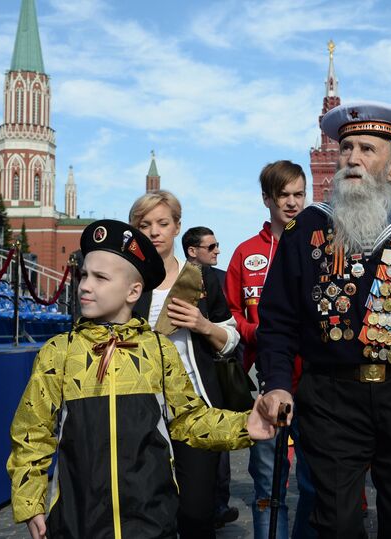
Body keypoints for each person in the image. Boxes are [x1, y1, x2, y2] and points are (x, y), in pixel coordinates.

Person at [256, 102, 391, 538]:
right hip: (331, 396)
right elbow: (277, 320)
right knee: (334, 521)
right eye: (346, 148)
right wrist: (278, 383)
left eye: (367, 149)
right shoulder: (306, 231)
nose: (352, 158)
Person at [6, 219, 272, 539]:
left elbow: (189, 420)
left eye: (101, 277)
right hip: (77, 523)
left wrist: (246, 425)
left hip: (152, 523)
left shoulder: (158, 351)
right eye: (85, 275)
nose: (86, 286)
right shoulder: (59, 353)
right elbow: (31, 432)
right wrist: (29, 501)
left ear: (134, 290)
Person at [129, 191, 241, 539]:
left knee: (195, 513)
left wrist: (202, 324)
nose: (155, 231)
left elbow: (231, 339)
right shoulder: (127, 280)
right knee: (146, 513)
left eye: (163, 223)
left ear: (177, 226)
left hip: (194, 410)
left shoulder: (203, 279)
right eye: (145, 225)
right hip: (138, 412)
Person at [225, 159, 316, 538]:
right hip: (267, 382)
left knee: (316, 483)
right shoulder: (246, 253)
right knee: (267, 486)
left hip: (315, 381)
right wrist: (258, 333)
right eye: (284, 196)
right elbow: (229, 315)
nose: (292, 203)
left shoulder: (320, 247)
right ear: (267, 199)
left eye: (299, 194)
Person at [181, 225, 240, 528]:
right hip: (187, 380)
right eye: (212, 246)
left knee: (218, 448)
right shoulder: (172, 279)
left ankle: (216, 504)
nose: (218, 250)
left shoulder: (218, 279)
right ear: (193, 250)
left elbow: (229, 330)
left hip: (210, 378)